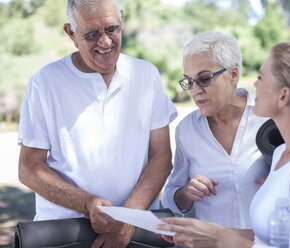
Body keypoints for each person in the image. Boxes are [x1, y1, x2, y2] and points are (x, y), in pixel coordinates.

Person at [158, 41, 290, 248]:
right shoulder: (281, 153)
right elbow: (269, 237)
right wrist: (200, 233)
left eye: (261, 77)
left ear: (284, 95)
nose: (254, 85)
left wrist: (221, 239)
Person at [17, 0, 177, 247]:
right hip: (67, 234)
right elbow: (28, 169)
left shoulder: (146, 75)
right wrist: (87, 203)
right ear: (71, 33)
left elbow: (162, 156)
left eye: (112, 29)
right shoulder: (45, 82)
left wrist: (127, 219)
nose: (105, 42)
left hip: (136, 234)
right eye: (92, 34)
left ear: (121, 19)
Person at [161, 31, 269, 239]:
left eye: (203, 79)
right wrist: (186, 193)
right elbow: (171, 199)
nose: (194, 91)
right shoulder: (186, 130)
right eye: (189, 82)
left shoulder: (269, 118)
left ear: (233, 74)